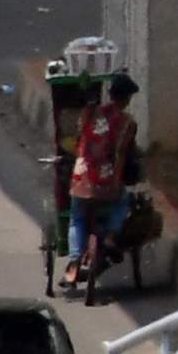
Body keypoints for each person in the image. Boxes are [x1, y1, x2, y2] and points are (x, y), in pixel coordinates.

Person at [61, 74, 139, 292]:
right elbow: (123, 153)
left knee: (77, 218)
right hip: (107, 180)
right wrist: (116, 180)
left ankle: (74, 261)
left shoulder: (89, 113)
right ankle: (111, 236)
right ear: (126, 98)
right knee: (123, 202)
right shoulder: (127, 122)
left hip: (82, 178)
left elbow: (79, 139)